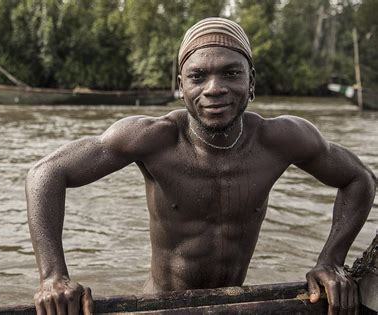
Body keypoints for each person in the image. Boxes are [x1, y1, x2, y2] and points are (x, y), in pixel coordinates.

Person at [26, 17, 375, 315]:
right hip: (161, 306)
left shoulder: (281, 139)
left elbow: (359, 178)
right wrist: (54, 276)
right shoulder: (153, 138)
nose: (214, 89)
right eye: (197, 77)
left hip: (233, 304)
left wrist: (330, 260)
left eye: (231, 73)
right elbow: (46, 173)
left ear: (251, 83)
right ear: (180, 87)